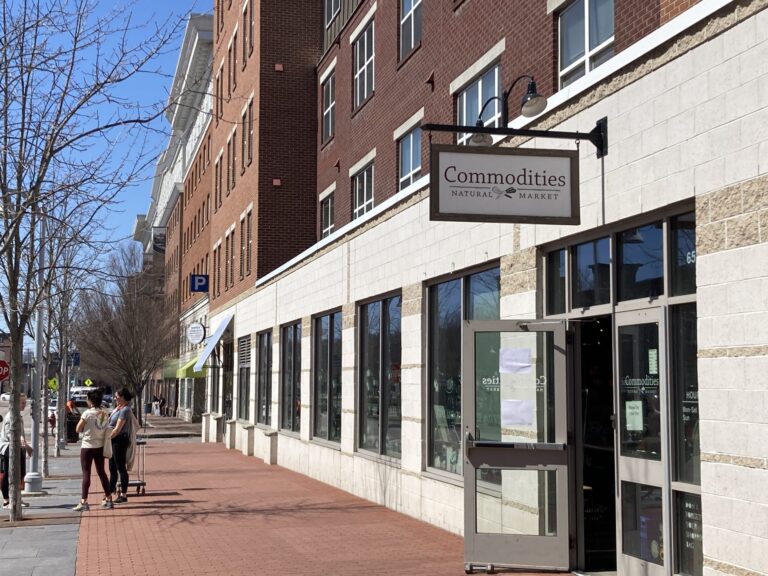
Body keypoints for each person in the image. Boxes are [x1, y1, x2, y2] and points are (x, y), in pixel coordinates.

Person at [72, 389, 112, 512]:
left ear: (90, 401)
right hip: (99, 446)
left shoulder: (87, 414)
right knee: (102, 472)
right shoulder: (104, 413)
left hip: (87, 446)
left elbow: (78, 429)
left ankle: (84, 501)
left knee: (86, 473)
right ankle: (108, 498)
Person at [1, 394, 33, 509]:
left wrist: (26, 446)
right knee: (9, 474)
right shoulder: (10, 417)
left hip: (18, 447)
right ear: (15, 403)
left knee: (20, 473)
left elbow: (19, 435)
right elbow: (12, 435)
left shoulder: (17, 416)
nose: (25, 405)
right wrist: (25, 445)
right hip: (8, 447)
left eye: (25, 402)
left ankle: (17, 498)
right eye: (23, 403)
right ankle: (6, 501)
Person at [109, 387, 134, 504]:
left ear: (123, 397)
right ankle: (109, 492)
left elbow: (118, 428)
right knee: (112, 468)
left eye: (117, 397)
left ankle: (123, 495)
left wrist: (107, 437)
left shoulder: (125, 410)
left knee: (121, 468)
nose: (115, 399)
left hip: (119, 440)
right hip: (113, 440)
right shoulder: (118, 408)